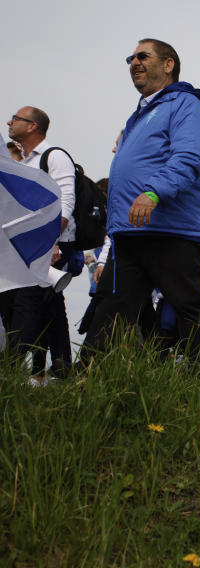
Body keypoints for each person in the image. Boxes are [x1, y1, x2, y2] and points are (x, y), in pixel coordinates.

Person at [82, 38, 200, 362]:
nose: (134, 62)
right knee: (111, 305)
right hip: (131, 231)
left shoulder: (186, 106)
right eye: (131, 58)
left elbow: (188, 157)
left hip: (171, 228)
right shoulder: (139, 116)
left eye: (143, 56)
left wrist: (153, 192)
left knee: (188, 306)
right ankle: (87, 379)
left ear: (168, 64)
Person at [6, 106, 78, 380]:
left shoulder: (54, 156)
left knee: (25, 305)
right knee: (50, 308)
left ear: (33, 126)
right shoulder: (23, 164)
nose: (9, 123)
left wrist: (51, 243)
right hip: (25, 250)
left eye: (16, 119)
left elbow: (65, 202)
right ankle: (62, 371)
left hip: (49, 246)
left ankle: (10, 369)